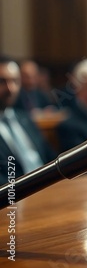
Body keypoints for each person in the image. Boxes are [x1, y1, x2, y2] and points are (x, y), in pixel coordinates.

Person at [0, 56, 56, 184]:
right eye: (2, 81)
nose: (10, 88)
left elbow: (49, 157)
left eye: (14, 81)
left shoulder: (25, 118)